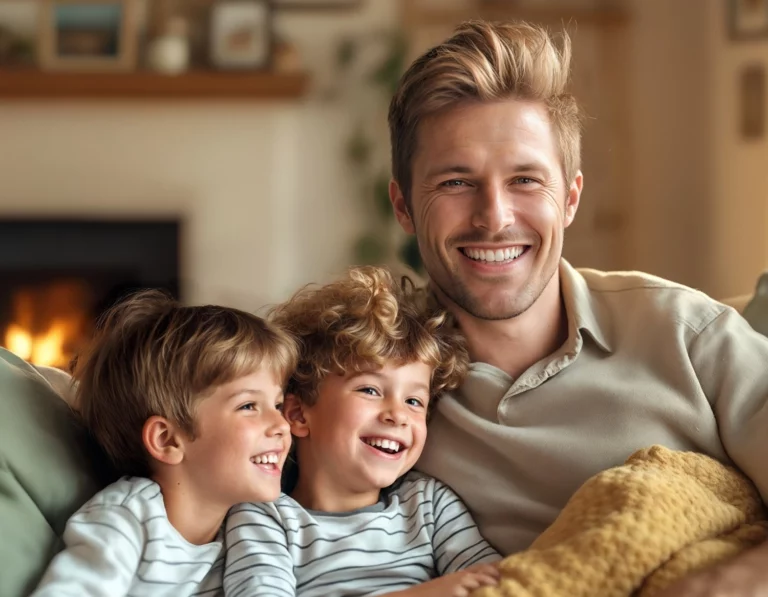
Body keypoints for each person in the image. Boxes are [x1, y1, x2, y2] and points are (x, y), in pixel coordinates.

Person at [386, 19, 768, 596]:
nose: (494, 217)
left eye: (524, 180)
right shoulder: (362, 374)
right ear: (403, 205)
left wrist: (733, 581)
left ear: (569, 198)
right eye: (457, 182)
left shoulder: (686, 332)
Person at [223, 266, 501, 597]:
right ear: (298, 414)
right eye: (369, 390)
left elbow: (498, 582)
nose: (398, 415)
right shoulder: (265, 516)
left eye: (414, 400)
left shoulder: (428, 506)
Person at [32, 290, 298, 597]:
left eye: (277, 406)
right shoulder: (127, 519)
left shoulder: (258, 520)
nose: (281, 425)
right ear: (167, 439)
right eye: (248, 406)